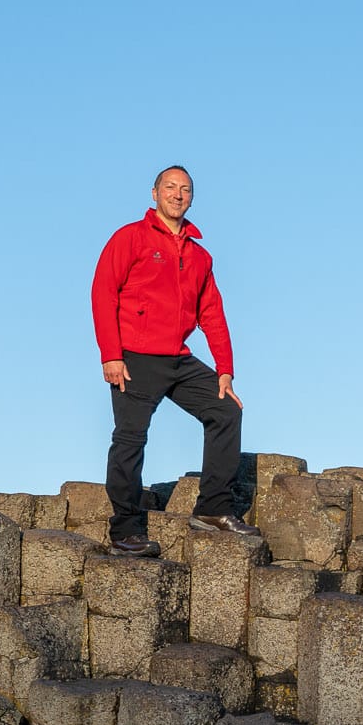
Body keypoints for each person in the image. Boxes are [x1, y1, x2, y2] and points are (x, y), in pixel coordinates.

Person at [92, 165, 259, 557]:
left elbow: (212, 313)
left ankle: (213, 509)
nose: (177, 194)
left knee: (225, 411)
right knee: (130, 438)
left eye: (185, 189)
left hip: (177, 358)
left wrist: (225, 370)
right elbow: (103, 292)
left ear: (191, 198)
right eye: (170, 187)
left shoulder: (199, 255)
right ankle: (126, 531)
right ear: (155, 193)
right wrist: (111, 355)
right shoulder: (130, 237)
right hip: (134, 357)